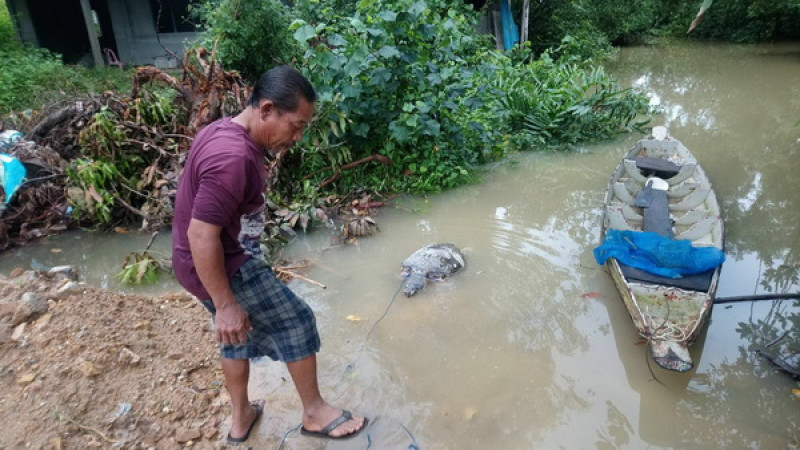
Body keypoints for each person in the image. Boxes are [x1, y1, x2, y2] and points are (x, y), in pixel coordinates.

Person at [172, 65, 367, 444]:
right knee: (296, 320)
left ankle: (241, 416)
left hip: (194, 265)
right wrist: (225, 302)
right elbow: (202, 234)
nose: (297, 137)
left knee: (237, 335)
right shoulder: (233, 159)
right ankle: (314, 413)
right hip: (222, 265)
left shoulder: (221, 130)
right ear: (265, 110)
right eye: (295, 126)